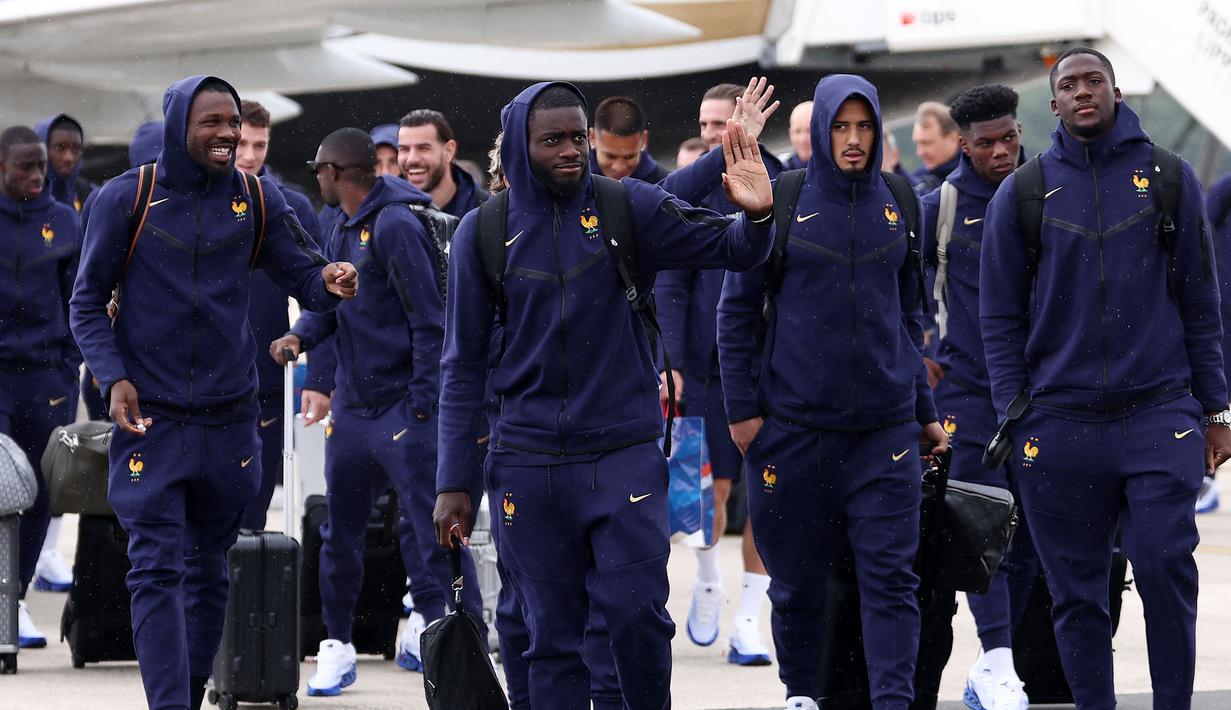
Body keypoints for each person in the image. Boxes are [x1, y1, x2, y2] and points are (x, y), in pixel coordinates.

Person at [433, 81, 774, 710]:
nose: (570, 150)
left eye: (576, 137)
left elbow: (733, 250)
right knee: (548, 637)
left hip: (622, 455)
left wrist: (756, 217)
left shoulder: (626, 207)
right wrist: (454, 480)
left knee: (636, 614)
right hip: (527, 463)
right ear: (519, 151)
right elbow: (461, 367)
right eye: (551, 139)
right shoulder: (481, 235)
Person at [70, 75, 356, 710]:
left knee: (207, 574)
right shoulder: (128, 198)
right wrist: (113, 376)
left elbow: (305, 278)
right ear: (179, 127)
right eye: (213, 123)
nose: (227, 134)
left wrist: (330, 281)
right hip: (151, 418)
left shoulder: (258, 200)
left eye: (233, 122)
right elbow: (87, 302)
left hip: (232, 421)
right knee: (154, 570)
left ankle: (188, 697)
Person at [980, 46, 1230, 710]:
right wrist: (1014, 408)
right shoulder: (1023, 192)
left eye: (1093, 81)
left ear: (1115, 93)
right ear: (1054, 102)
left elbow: (1201, 304)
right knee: (1076, 593)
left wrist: (1216, 411)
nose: (1081, 92)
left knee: (1161, 565)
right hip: (1056, 426)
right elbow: (997, 315)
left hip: (1157, 414)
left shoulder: (1169, 178)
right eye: (1067, 85)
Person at [718, 74, 949, 710]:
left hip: (885, 436)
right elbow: (736, 312)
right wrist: (744, 416)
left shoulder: (902, 198)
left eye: (864, 126)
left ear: (879, 130)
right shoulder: (783, 199)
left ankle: (894, 702)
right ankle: (800, 695)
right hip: (793, 433)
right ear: (821, 129)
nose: (853, 140)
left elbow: (908, 320)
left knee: (892, 581)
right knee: (796, 586)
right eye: (841, 127)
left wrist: (922, 411)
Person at [270, 127, 483, 695]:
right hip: (354, 412)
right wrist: (300, 336)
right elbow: (330, 304)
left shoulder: (395, 225)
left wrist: (420, 408)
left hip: (401, 412)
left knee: (429, 530)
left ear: (336, 173)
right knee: (339, 533)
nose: (316, 176)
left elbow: (429, 322)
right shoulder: (333, 222)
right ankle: (336, 645)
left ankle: (454, 638)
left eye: (320, 168)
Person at [919, 84, 1033, 710]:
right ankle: (995, 661)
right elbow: (906, 293)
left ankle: (1010, 655)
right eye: (984, 142)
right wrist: (921, 360)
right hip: (966, 395)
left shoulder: (1045, 191)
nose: (1000, 151)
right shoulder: (938, 205)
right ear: (961, 144)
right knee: (981, 527)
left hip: (1044, 393)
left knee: (1036, 536)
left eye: (1008, 137)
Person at [665, 78, 780, 666]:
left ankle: (749, 619)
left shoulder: (783, 180)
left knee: (767, 494)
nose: (713, 135)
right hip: (704, 371)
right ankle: (709, 578)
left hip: (772, 370)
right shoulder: (690, 192)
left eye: (723, 123)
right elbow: (672, 281)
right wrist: (672, 363)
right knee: (710, 492)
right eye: (706, 125)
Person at [0, 125, 81, 648]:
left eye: (40, 169)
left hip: (47, 378)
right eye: (23, 167)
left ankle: (17, 600)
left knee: (37, 492)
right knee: (1, 485)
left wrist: (68, 362)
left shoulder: (65, 221)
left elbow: (80, 298)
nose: (35, 176)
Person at [234, 98, 330, 530]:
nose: (250, 155)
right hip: (197, 384)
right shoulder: (185, 201)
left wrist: (323, 379)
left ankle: (248, 596)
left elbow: (322, 297)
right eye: (241, 143)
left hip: (266, 382)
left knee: (253, 513)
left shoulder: (289, 204)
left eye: (260, 144)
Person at [397, 109, 490, 218]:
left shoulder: (486, 211)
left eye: (423, 148)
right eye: (404, 149)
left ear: (449, 151)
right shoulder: (387, 213)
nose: (412, 159)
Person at [1202, 173, 1231, 514]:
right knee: (1215, 396)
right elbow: (1207, 223)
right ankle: (1206, 478)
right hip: (1223, 310)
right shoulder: (1225, 188)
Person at [587, 95, 668, 182]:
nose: (619, 167)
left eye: (629, 157)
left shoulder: (666, 186)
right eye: (610, 156)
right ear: (592, 137)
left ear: (644, 139)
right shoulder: (573, 182)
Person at [910, 101, 961, 192]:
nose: (920, 152)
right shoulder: (916, 181)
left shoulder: (979, 173)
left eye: (927, 143)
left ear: (953, 138)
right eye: (917, 143)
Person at [782, 100, 812, 170]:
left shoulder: (840, 169)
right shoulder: (779, 172)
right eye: (797, 131)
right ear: (790, 133)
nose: (803, 139)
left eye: (809, 131)